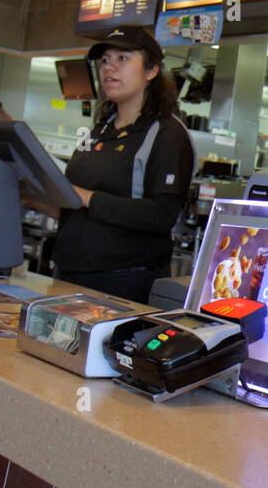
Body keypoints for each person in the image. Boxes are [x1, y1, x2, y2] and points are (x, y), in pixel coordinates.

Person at [49, 25, 194, 303]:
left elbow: (161, 216)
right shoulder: (99, 129)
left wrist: (87, 198)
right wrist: (40, 195)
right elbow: (75, 205)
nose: (108, 68)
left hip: (122, 282)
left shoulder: (167, 133)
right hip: (69, 272)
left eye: (122, 59)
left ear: (151, 71)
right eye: (104, 60)